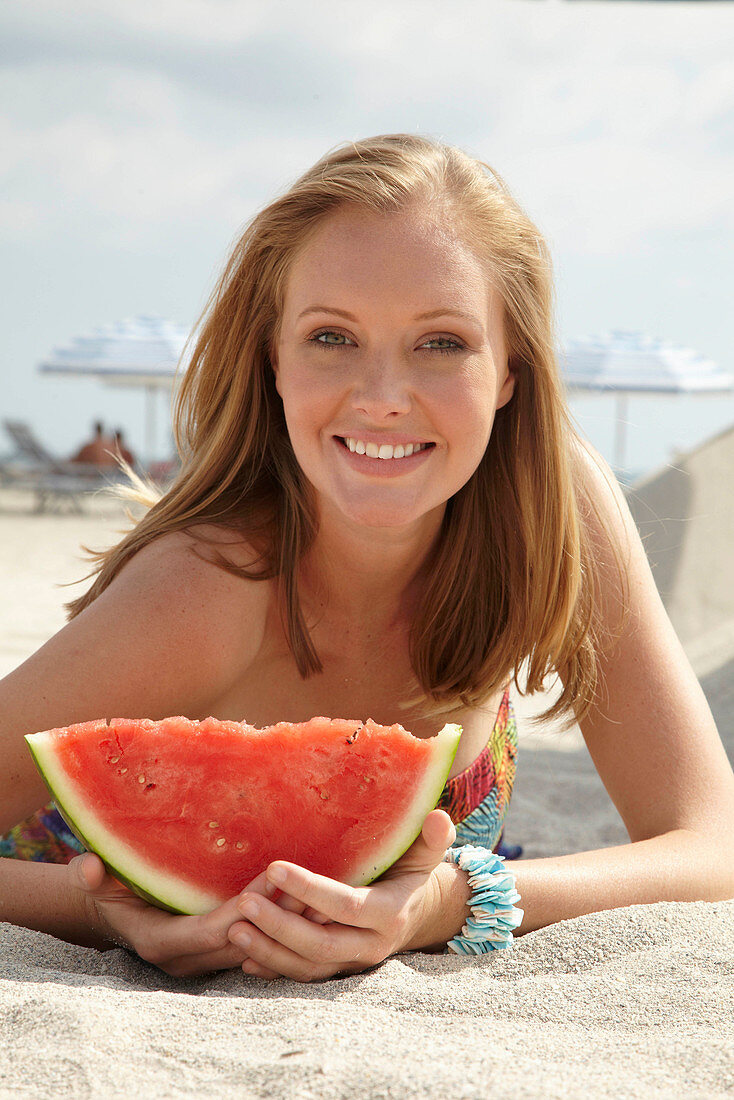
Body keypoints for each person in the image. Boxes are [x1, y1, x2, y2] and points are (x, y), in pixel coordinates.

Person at [1, 135, 732, 982]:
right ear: (273, 357)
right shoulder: (208, 585)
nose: (383, 398)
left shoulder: (555, 512)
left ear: (510, 372)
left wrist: (452, 903)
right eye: (332, 337)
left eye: (442, 343)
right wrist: (102, 910)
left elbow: (711, 846)